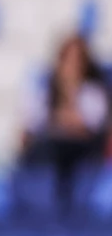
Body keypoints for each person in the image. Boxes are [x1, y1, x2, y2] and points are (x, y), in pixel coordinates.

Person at [21, 33, 109, 202]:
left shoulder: (92, 92)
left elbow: (88, 125)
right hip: (50, 146)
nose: (72, 66)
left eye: (77, 60)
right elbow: (33, 122)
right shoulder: (45, 90)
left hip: (83, 148)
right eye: (68, 60)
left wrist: (70, 92)